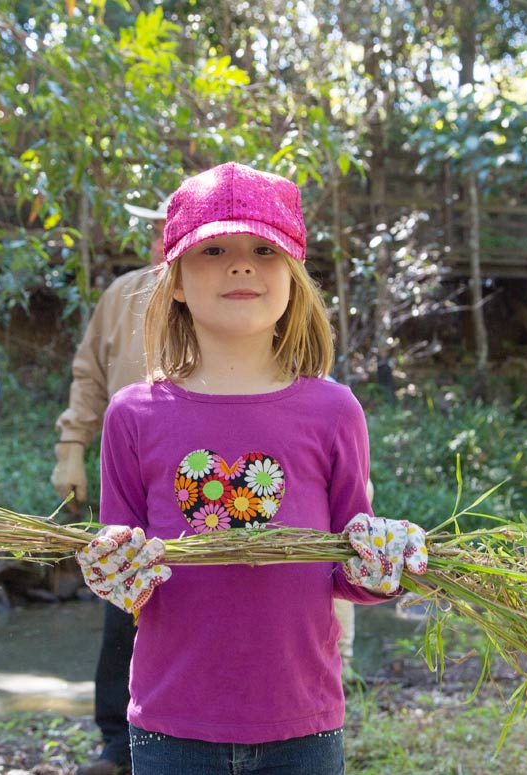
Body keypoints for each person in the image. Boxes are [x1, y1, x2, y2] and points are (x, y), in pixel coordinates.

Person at [73, 162, 428, 775]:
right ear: (176, 280)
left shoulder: (333, 411)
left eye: (264, 249)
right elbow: (126, 578)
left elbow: (347, 566)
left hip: (303, 724)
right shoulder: (133, 415)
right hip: (171, 725)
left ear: (292, 275)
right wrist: (111, 568)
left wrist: (386, 563)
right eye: (213, 250)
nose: (241, 265)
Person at [51, 194, 166, 775]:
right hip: (127, 480)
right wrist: (71, 448)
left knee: (189, 608)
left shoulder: (229, 297)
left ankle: (187, 735)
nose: (159, 243)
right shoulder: (123, 295)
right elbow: (89, 373)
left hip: (205, 489)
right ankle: (117, 745)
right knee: (122, 600)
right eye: (156, 231)